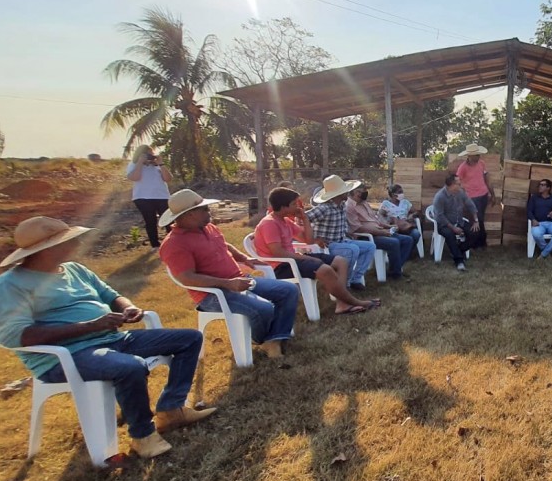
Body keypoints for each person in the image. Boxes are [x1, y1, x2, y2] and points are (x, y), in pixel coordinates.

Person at [0, 216, 214, 459]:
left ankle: (171, 409)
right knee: (130, 367)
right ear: (46, 249)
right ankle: (142, 436)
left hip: (112, 339)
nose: (76, 244)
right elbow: (18, 336)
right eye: (68, 241)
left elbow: (110, 295)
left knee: (189, 338)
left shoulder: (75, 269)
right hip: (67, 356)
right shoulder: (8, 286)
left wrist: (128, 307)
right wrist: (89, 326)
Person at [158, 189, 298, 360]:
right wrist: (228, 284)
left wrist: (244, 258)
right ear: (189, 215)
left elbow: (224, 245)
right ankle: (261, 340)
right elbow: (186, 277)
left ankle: (275, 337)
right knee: (264, 308)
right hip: (211, 294)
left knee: (289, 290)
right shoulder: (174, 244)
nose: (209, 211)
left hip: (239, 280)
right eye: (204, 209)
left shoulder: (208, 228)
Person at [255, 187, 379, 314]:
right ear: (283, 207)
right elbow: (278, 253)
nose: (298, 207)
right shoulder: (269, 224)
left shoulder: (285, 221)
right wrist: (306, 257)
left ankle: (342, 304)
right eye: (293, 204)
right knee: (326, 269)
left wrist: (305, 219)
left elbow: (308, 240)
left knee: (341, 262)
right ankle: (354, 302)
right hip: (281, 266)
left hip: (293, 259)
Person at [306, 175, 376, 291]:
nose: (347, 193)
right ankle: (344, 284)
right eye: (344, 191)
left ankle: (356, 279)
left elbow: (340, 225)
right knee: (353, 249)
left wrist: (348, 233)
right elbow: (302, 219)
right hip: (328, 246)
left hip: (341, 240)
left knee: (369, 247)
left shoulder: (342, 205)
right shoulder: (324, 208)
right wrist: (314, 239)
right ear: (338, 194)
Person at [346, 184, 414, 280]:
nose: (366, 192)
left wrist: (388, 226)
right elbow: (358, 228)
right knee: (394, 242)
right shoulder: (349, 207)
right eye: (363, 190)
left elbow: (376, 221)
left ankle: (394, 269)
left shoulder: (364, 203)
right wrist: (383, 232)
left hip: (379, 231)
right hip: (367, 237)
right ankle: (396, 273)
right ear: (356, 192)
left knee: (408, 240)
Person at [126, 145, 173, 248]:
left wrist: (161, 163)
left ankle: (174, 242)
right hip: (143, 197)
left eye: (151, 154)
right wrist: (140, 162)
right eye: (147, 154)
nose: (149, 157)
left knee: (169, 220)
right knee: (150, 221)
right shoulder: (133, 164)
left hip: (162, 196)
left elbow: (168, 178)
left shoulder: (157, 166)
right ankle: (155, 245)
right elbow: (135, 177)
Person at [431, 174, 479, 271]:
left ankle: (458, 251)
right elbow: (439, 216)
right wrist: (453, 228)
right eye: (458, 184)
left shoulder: (460, 193)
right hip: (444, 224)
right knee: (449, 235)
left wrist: (476, 220)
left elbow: (470, 205)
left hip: (459, 221)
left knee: (475, 233)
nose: (460, 186)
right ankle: (459, 261)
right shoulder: (440, 197)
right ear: (451, 185)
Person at [454, 144, 495, 249]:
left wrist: (492, 194)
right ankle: (480, 243)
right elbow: (457, 181)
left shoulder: (482, 163)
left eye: (478, 154)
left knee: (480, 218)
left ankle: (478, 243)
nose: (478, 157)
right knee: (478, 219)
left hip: (483, 194)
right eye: (476, 155)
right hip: (471, 197)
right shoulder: (463, 167)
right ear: (470, 156)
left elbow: (487, 178)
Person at [379, 183, 422, 257]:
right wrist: (387, 220)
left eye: (402, 192)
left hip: (405, 225)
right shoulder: (386, 204)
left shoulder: (405, 202)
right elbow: (380, 215)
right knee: (395, 237)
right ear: (393, 194)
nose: (402, 194)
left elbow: (416, 212)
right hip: (393, 226)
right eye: (399, 192)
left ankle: (407, 253)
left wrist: (412, 215)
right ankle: (400, 253)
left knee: (416, 234)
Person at [526, 179, 552, 259]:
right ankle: (547, 252)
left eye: (542, 185)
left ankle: (543, 254)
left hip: (551, 223)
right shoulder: (534, 198)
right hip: (539, 223)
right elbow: (529, 211)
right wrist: (533, 219)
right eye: (539, 184)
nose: (540, 186)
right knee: (536, 234)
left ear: (548, 188)